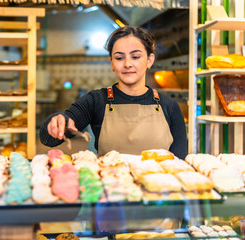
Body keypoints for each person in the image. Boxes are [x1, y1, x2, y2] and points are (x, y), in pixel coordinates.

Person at [40, 26, 187, 159]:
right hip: (112, 186)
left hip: (158, 187)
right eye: (119, 57)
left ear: (149, 60)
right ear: (111, 63)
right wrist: (57, 121)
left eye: (135, 57)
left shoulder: (170, 106)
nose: (127, 64)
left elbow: (179, 162)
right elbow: (48, 139)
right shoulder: (96, 100)